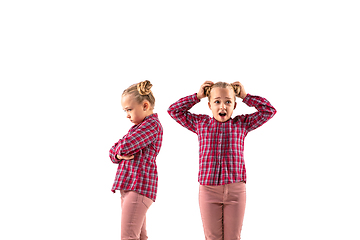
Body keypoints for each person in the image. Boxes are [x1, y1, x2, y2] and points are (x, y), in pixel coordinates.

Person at [168, 81, 276, 240]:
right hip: (208, 190)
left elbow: (269, 111)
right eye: (217, 101)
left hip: (236, 190)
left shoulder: (242, 124)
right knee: (212, 238)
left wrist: (246, 96)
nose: (223, 107)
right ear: (209, 105)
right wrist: (196, 97)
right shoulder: (200, 123)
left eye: (228, 102)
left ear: (235, 106)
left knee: (233, 237)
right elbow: (174, 110)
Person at [109, 80, 163, 240]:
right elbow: (113, 152)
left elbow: (124, 146)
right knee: (139, 236)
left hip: (138, 187)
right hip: (130, 187)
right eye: (125, 110)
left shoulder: (152, 125)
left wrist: (119, 150)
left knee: (129, 236)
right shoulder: (138, 128)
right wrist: (118, 153)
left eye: (129, 109)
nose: (127, 114)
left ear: (145, 106)